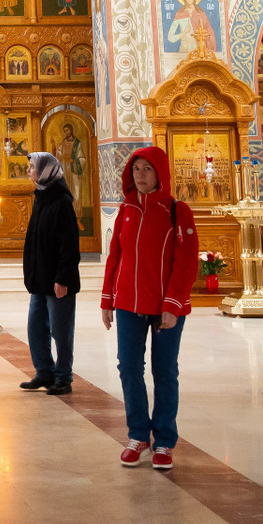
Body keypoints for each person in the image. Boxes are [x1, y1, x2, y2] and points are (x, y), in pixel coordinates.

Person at [100, 145, 198, 471]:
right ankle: (138, 435)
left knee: (164, 371)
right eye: (136, 169)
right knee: (128, 367)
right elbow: (115, 256)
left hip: (165, 306)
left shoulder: (177, 210)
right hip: (129, 303)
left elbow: (186, 261)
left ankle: (165, 440)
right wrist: (107, 299)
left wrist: (172, 303)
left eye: (147, 169)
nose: (140, 175)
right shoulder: (126, 209)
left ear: (160, 173)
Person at [19, 151, 81, 396]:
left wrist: (63, 278)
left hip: (58, 280)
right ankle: (44, 371)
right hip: (40, 278)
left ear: (45, 171)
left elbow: (69, 245)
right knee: (36, 328)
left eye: (32, 167)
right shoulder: (41, 197)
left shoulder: (61, 202)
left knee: (61, 331)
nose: (28, 171)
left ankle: (63, 377)